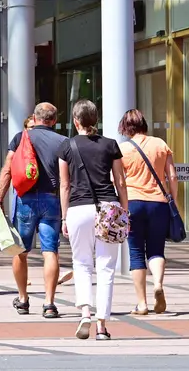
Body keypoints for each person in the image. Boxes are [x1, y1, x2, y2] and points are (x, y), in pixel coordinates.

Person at [59, 98, 129, 341]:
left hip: (78, 209)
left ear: (75, 121)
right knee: (106, 267)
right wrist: (125, 211)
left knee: (81, 263)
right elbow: (120, 181)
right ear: (95, 120)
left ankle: (85, 313)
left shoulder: (67, 147)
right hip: (109, 208)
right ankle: (102, 325)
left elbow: (65, 185)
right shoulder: (110, 145)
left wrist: (64, 216)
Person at [0, 102, 67, 318]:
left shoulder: (20, 137)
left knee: (21, 251)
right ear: (54, 120)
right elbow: (67, 179)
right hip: (51, 201)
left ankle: (23, 299)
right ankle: (49, 303)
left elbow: (8, 170)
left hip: (25, 201)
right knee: (50, 251)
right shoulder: (63, 142)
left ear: (34, 119)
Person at [118, 108, 178, 316]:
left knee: (136, 254)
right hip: (158, 203)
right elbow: (172, 176)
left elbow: (118, 181)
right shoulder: (160, 144)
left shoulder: (123, 149)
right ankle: (158, 284)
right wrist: (174, 201)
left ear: (126, 127)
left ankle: (142, 304)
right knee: (156, 250)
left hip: (133, 203)